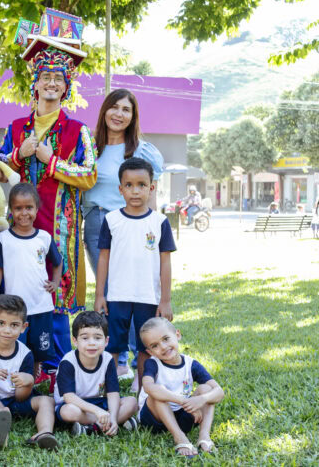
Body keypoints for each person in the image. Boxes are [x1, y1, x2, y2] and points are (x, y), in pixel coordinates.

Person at [0, 41, 97, 378]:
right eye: (45, 77)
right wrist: (17, 155)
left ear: (66, 86)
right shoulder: (15, 128)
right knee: (17, 284)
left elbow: (90, 174)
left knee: (55, 286)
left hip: (59, 225)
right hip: (19, 222)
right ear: (35, 84)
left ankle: (56, 366)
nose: (51, 83)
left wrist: (49, 160)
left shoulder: (77, 130)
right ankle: (16, 361)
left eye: (58, 78)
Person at [83, 89, 165, 386]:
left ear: (133, 117)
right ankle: (116, 360)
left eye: (126, 110)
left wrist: (151, 233)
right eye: (113, 108)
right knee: (109, 290)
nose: (119, 114)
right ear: (104, 111)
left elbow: (150, 195)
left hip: (132, 224)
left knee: (135, 292)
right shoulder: (89, 147)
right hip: (96, 221)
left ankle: (139, 357)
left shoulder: (142, 151)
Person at [94, 157, 176, 392]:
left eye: (141, 184)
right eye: (128, 185)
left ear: (152, 188)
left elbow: (165, 263)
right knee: (113, 344)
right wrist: (100, 294)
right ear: (120, 189)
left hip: (148, 296)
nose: (135, 190)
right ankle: (109, 388)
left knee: (145, 346)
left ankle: (142, 386)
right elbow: (103, 258)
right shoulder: (112, 220)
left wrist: (166, 300)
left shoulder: (160, 222)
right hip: (117, 295)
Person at [0, 295, 59, 451]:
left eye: (14, 325)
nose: (7, 330)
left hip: (14, 401)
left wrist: (28, 381)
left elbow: (20, 397)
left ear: (23, 327)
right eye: (1, 323)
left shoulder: (25, 354)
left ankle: (45, 432)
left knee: (47, 400)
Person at [0, 182, 62, 376]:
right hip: (14, 309)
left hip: (41, 305)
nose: (24, 213)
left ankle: (34, 374)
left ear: (37, 208)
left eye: (29, 208)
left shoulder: (44, 238)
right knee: (15, 346)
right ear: (11, 210)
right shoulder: (3, 239)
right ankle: (15, 377)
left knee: (40, 348)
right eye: (18, 208)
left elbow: (58, 262)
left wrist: (55, 282)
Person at [139, 317, 225, 458]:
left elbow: (219, 392)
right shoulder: (152, 364)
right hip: (155, 419)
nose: (163, 347)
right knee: (157, 393)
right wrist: (183, 401)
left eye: (166, 339)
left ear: (177, 335)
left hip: (182, 416)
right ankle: (180, 438)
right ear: (150, 352)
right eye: (155, 346)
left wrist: (201, 400)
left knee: (206, 389)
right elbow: (149, 387)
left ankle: (204, 436)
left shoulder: (191, 364)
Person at [54, 311, 138, 436]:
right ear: (75, 341)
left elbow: (113, 393)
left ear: (106, 341)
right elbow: (69, 397)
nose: (91, 343)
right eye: (85, 338)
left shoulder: (108, 359)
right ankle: (109, 423)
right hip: (74, 404)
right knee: (69, 411)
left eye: (97, 338)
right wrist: (97, 411)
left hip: (98, 401)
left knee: (131, 402)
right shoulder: (68, 361)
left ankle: (95, 427)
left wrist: (113, 417)